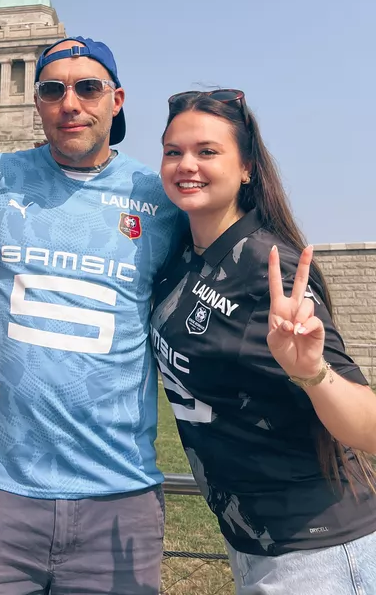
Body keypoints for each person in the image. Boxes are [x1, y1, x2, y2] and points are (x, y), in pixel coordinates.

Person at [0, 37, 183, 595]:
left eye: (88, 88)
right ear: (37, 102)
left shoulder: (158, 198)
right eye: (53, 90)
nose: (70, 103)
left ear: (117, 99)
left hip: (118, 497)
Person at [152, 89, 376, 594]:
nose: (187, 164)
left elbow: (369, 428)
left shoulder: (269, 268)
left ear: (247, 167)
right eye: (173, 151)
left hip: (319, 548)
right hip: (251, 541)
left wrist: (312, 373)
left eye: (207, 151)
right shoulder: (183, 257)